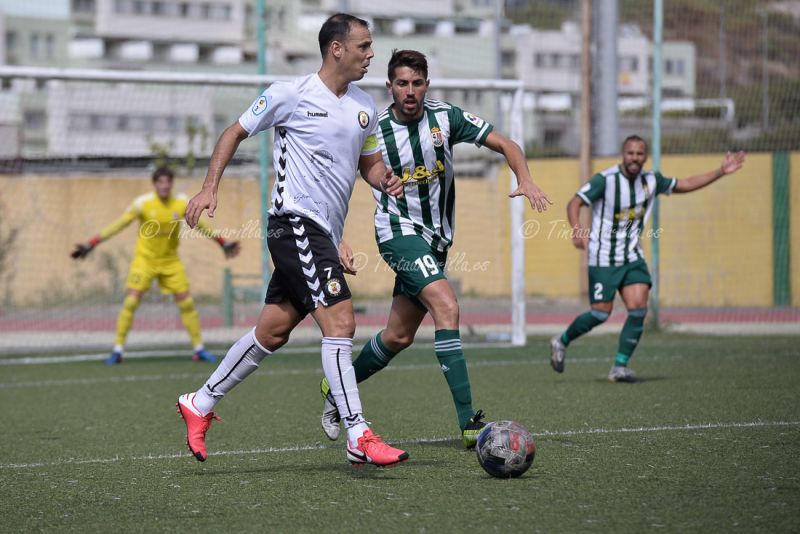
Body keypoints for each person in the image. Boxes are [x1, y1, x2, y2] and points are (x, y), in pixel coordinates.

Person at [176, 14, 409, 467]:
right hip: (292, 223)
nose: (370, 54)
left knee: (273, 331)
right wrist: (209, 187)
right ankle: (358, 434)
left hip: (319, 233)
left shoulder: (364, 107)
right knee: (341, 323)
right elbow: (234, 132)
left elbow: (370, 166)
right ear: (336, 49)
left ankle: (199, 403)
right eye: (363, 46)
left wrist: (387, 181)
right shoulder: (290, 94)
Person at [318, 49, 552, 448]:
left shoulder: (446, 118)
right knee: (447, 306)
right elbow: (336, 177)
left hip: (437, 239)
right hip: (397, 233)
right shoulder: (372, 127)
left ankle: (336, 388)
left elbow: (506, 143)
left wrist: (525, 178)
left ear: (427, 84)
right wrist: (334, 235)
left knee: (398, 336)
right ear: (389, 86)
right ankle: (469, 423)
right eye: (402, 84)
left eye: (418, 83)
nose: (410, 91)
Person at [550, 135, 746, 382]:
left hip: (632, 257)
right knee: (600, 314)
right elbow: (575, 202)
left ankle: (619, 366)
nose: (635, 158)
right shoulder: (606, 180)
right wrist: (577, 229)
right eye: (630, 153)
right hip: (603, 258)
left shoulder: (652, 180)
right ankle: (561, 340)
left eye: (639, 154)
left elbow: (684, 183)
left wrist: (720, 171)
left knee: (638, 308)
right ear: (623, 154)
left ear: (645, 156)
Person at [71, 167, 240, 365]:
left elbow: (200, 225)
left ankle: (199, 349)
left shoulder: (181, 203)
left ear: (171, 183)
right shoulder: (142, 204)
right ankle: (117, 350)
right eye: (160, 182)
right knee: (131, 302)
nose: (164, 186)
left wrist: (221, 241)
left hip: (170, 261)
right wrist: (91, 243)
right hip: (145, 261)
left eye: (168, 182)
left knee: (186, 303)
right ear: (155, 184)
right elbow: (118, 225)